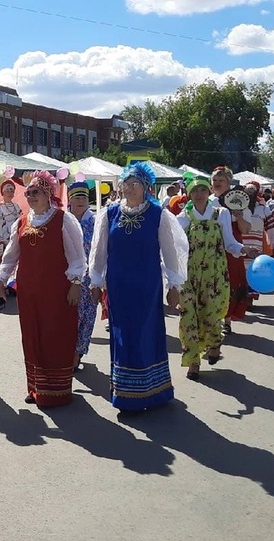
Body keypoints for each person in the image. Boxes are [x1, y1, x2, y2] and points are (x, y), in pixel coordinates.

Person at [88, 162, 188, 413]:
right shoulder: (109, 214)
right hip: (119, 286)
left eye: (135, 184)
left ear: (146, 188)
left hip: (147, 285)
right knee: (123, 335)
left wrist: (174, 284)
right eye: (126, 184)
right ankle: (125, 393)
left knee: (146, 333)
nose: (129, 189)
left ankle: (153, 391)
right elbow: (99, 251)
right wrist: (96, 281)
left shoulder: (158, 215)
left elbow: (170, 252)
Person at [0, 171, 86, 409]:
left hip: (57, 291)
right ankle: (35, 387)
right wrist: (0, 285)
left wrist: (75, 284)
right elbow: (10, 258)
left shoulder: (63, 220)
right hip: (29, 293)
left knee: (55, 336)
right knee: (32, 336)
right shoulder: (21, 222)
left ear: (49, 194)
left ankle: (58, 391)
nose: (31, 196)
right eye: (29, 192)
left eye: (36, 192)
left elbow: (77, 257)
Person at [176, 176, 250, 380]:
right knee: (188, 317)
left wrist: (243, 249)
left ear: (209, 192)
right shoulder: (182, 218)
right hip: (188, 277)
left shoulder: (221, 214)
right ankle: (193, 362)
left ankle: (214, 344)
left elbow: (230, 242)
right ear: (189, 194)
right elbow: (174, 249)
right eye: (194, 190)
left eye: (202, 189)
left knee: (212, 313)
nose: (199, 194)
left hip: (215, 276)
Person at [211, 167, 251, 333]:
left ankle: (227, 320)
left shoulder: (239, 201)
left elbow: (246, 229)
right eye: (215, 180)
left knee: (231, 280)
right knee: (211, 280)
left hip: (232, 244)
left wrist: (239, 217)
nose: (218, 183)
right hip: (211, 244)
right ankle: (212, 320)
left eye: (221, 181)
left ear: (228, 183)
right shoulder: (208, 200)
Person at [67, 182, 97, 370]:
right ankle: (67, 351)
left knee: (87, 317)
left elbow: (101, 252)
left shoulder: (95, 222)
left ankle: (77, 353)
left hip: (90, 279)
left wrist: (99, 281)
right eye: (77, 197)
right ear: (69, 199)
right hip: (68, 279)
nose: (80, 201)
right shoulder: (64, 221)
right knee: (70, 316)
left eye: (84, 197)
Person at [0, 177, 24, 244]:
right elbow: (1, 224)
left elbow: (21, 220)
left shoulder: (16, 206)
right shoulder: (0, 207)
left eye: (11, 191)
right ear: (3, 193)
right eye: (7, 191)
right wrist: (6, 238)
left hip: (17, 235)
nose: (10, 193)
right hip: (6, 238)